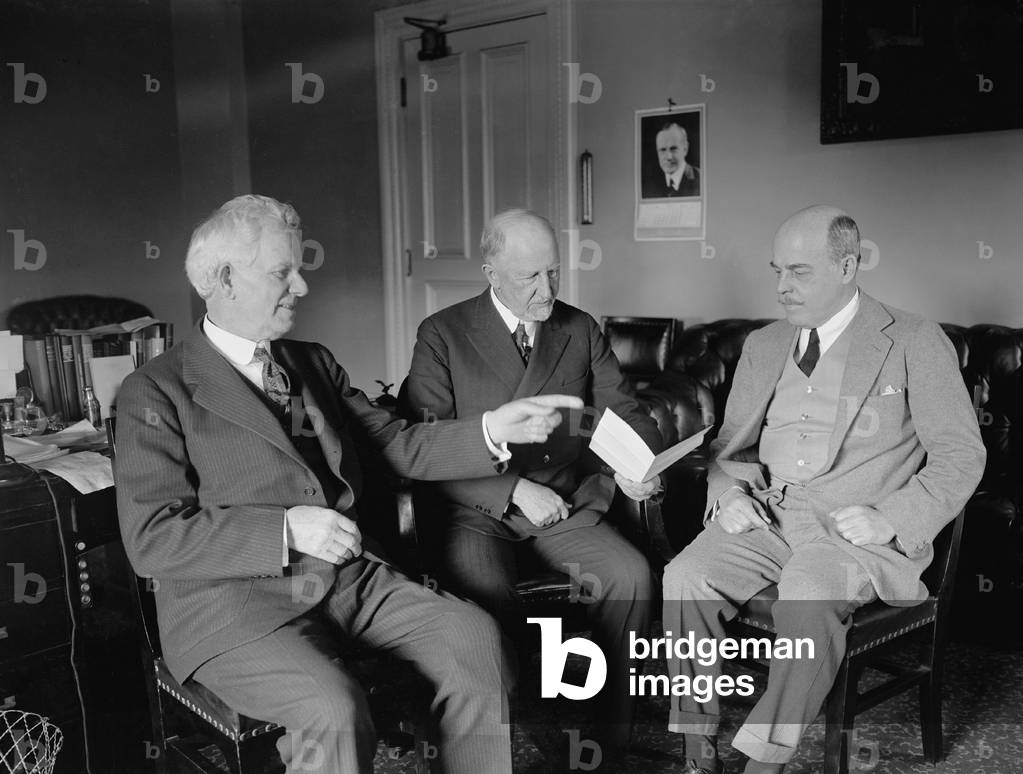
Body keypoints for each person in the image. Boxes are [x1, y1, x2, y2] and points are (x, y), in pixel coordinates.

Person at [115, 194, 584, 774]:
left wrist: (490, 429)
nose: (302, 286)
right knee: (332, 708)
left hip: (351, 581)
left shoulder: (310, 363)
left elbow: (395, 444)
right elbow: (152, 539)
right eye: (283, 273)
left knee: (476, 642)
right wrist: (286, 529)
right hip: (232, 605)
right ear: (224, 281)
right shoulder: (154, 392)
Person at [661, 205, 986, 774]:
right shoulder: (764, 345)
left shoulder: (913, 339)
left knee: (806, 601)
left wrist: (893, 518)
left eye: (799, 272)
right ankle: (696, 745)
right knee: (684, 577)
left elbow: (962, 454)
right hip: (767, 517)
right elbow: (728, 452)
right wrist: (730, 495)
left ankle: (765, 761)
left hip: (850, 534)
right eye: (777, 271)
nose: (782, 287)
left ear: (847, 266)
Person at [399, 208, 663, 758]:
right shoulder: (443, 334)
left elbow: (625, 411)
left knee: (630, 575)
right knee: (488, 608)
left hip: (566, 505)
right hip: (478, 510)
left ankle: (608, 738)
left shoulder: (578, 326)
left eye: (554, 272)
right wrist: (513, 491)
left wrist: (639, 464)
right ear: (491, 271)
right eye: (530, 277)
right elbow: (425, 444)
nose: (547, 290)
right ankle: (511, 742)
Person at [642, 121, 700, 198]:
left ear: (685, 149)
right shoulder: (648, 184)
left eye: (673, 149)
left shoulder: (701, 179)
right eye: (662, 150)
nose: (669, 157)